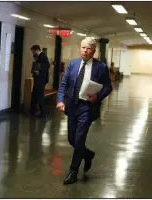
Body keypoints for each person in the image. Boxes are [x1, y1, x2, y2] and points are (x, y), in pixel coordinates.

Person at [56, 37, 113, 185]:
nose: (85, 51)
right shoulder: (73, 64)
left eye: (88, 48)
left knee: (79, 138)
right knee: (71, 139)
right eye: (83, 48)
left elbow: (108, 87)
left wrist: (97, 96)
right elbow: (63, 84)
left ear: (94, 51)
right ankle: (87, 155)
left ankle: (73, 171)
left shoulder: (100, 67)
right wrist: (60, 100)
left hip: (87, 107)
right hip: (72, 105)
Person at [30, 45, 50, 118]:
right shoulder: (41, 57)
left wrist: (36, 71)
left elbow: (45, 68)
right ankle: (33, 111)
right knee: (35, 95)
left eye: (33, 52)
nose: (33, 54)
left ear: (37, 50)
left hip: (40, 80)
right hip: (40, 80)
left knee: (39, 96)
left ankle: (43, 113)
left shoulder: (43, 57)